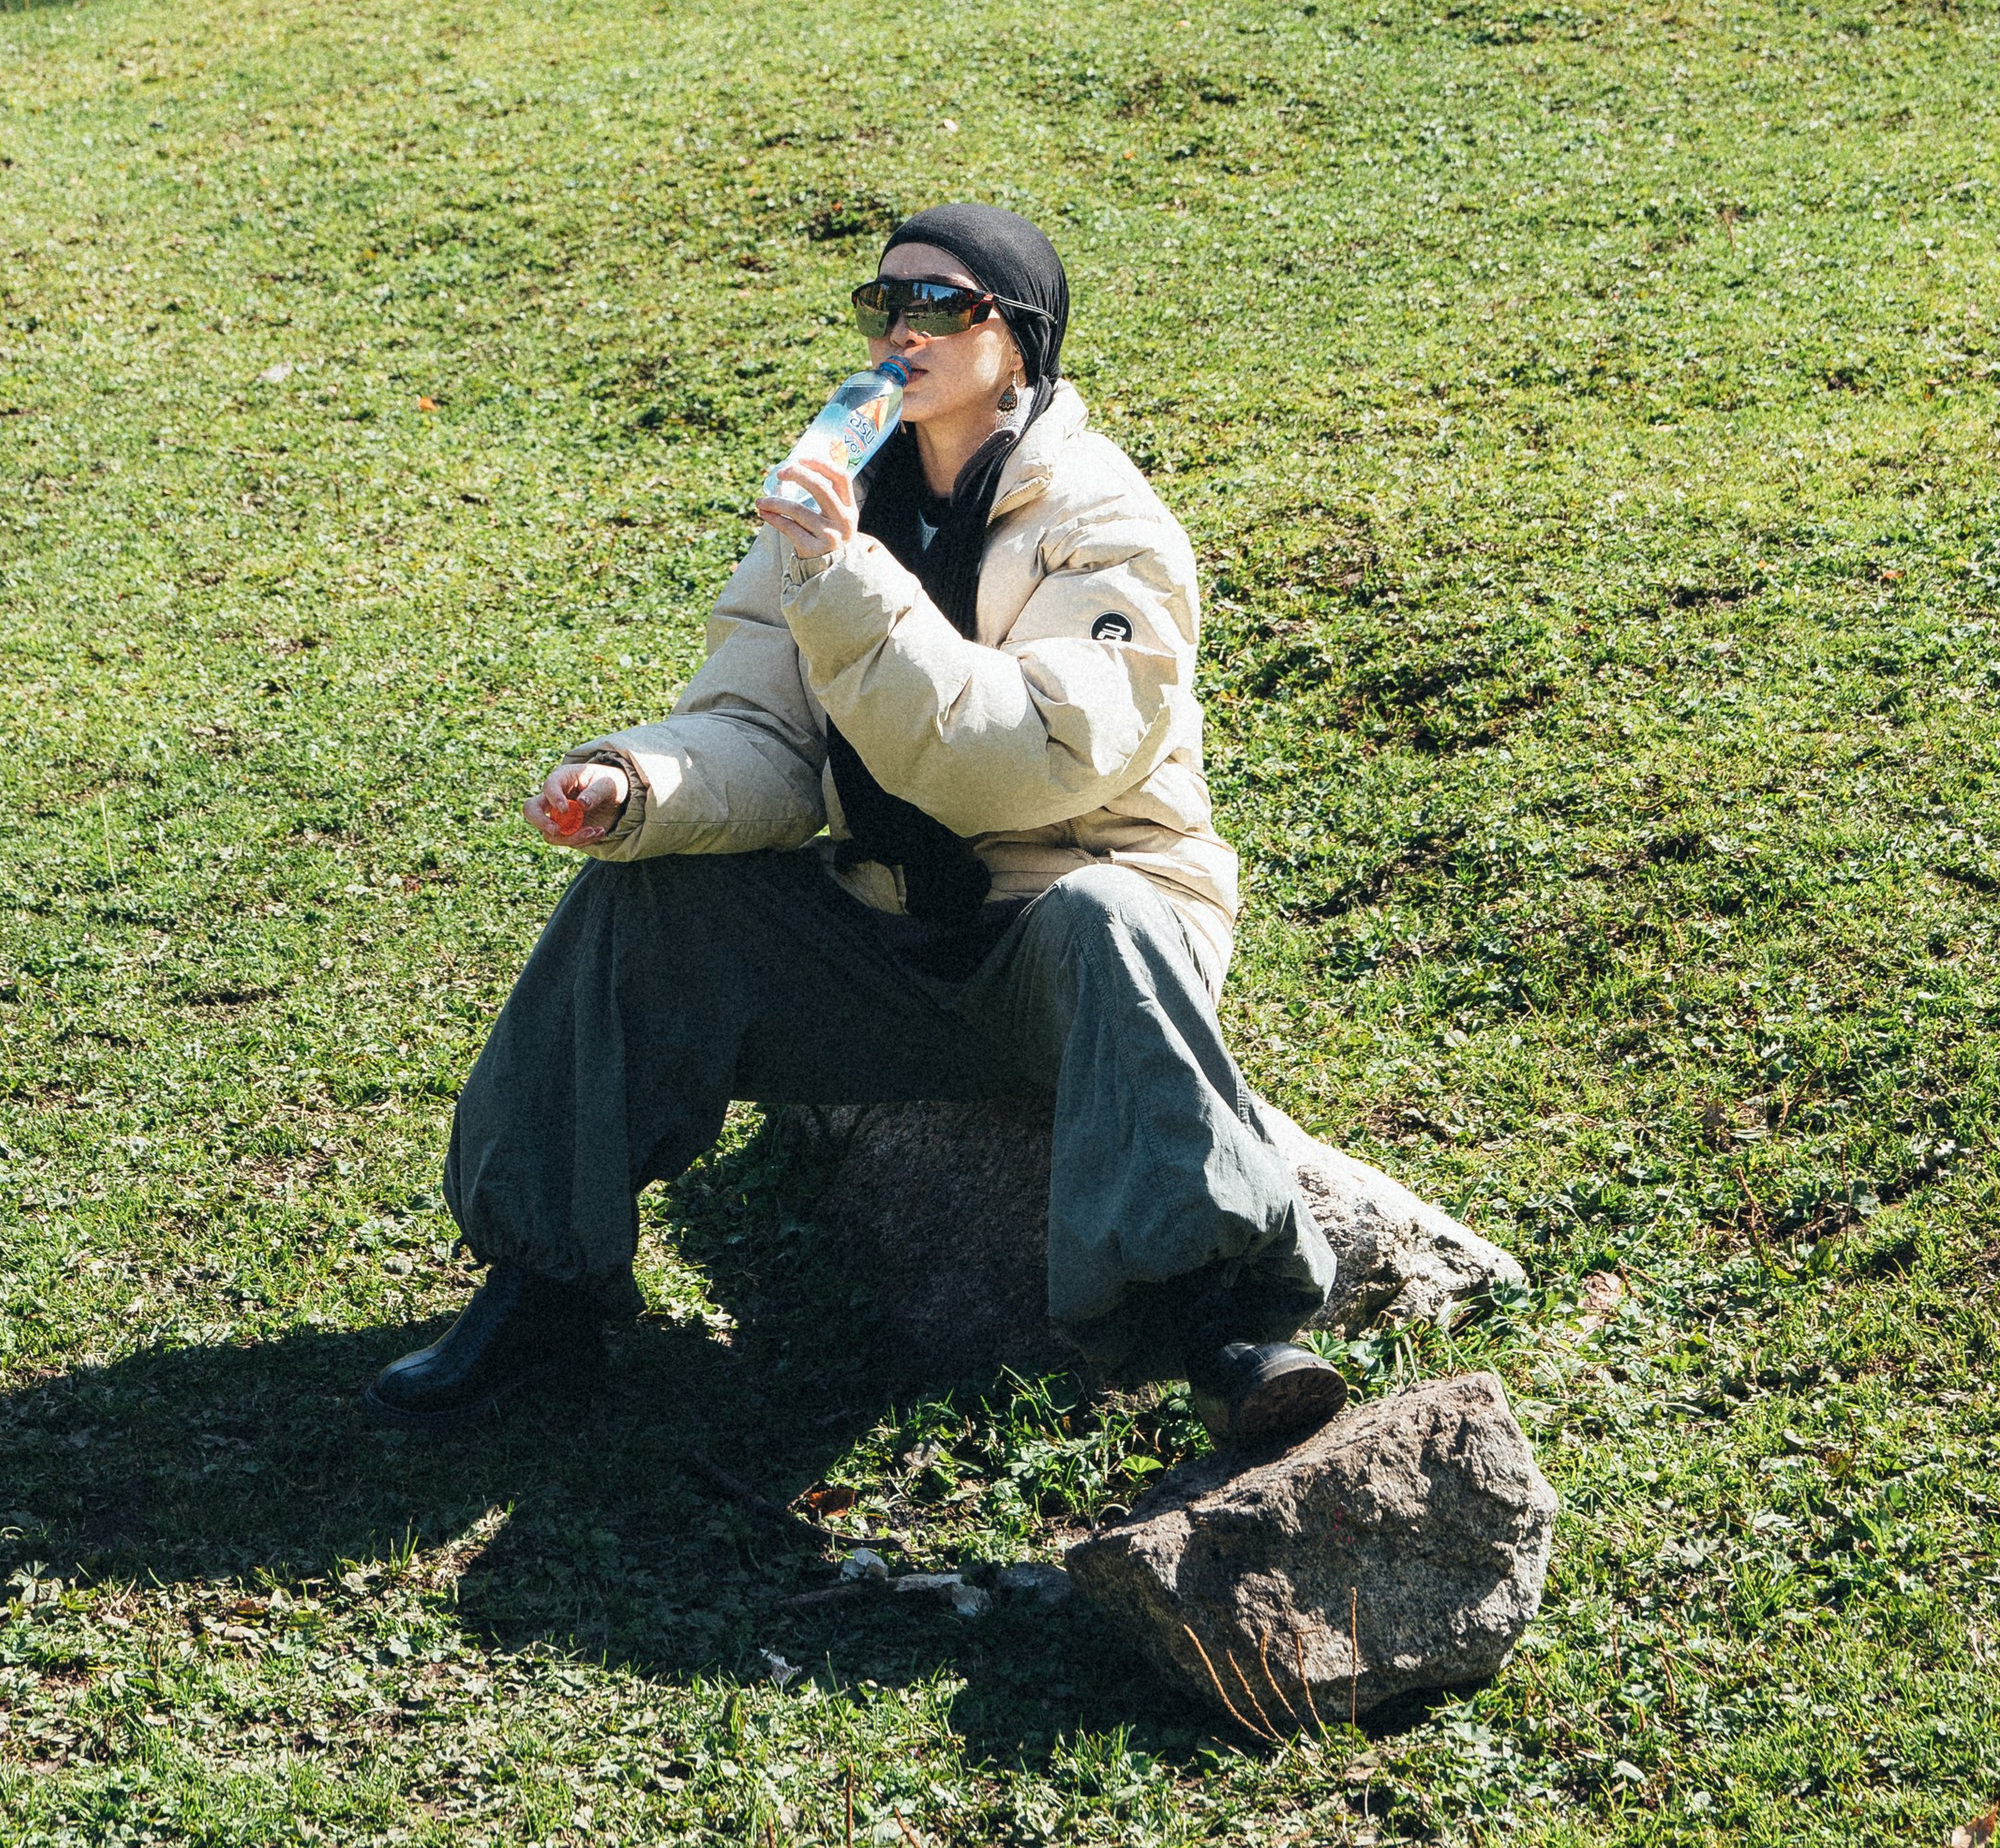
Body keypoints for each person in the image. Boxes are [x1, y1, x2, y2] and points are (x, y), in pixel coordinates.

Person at [368, 201, 1344, 1449]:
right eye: (880, 304)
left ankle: (1223, 1328)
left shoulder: (1108, 528)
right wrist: (642, 783)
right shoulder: (841, 499)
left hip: (1062, 933)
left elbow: (1021, 769)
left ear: (1021, 341)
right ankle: (544, 1290)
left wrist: (848, 580)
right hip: (878, 932)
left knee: (1109, 914)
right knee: (644, 892)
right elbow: (765, 738)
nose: (900, 329)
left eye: (940, 305)